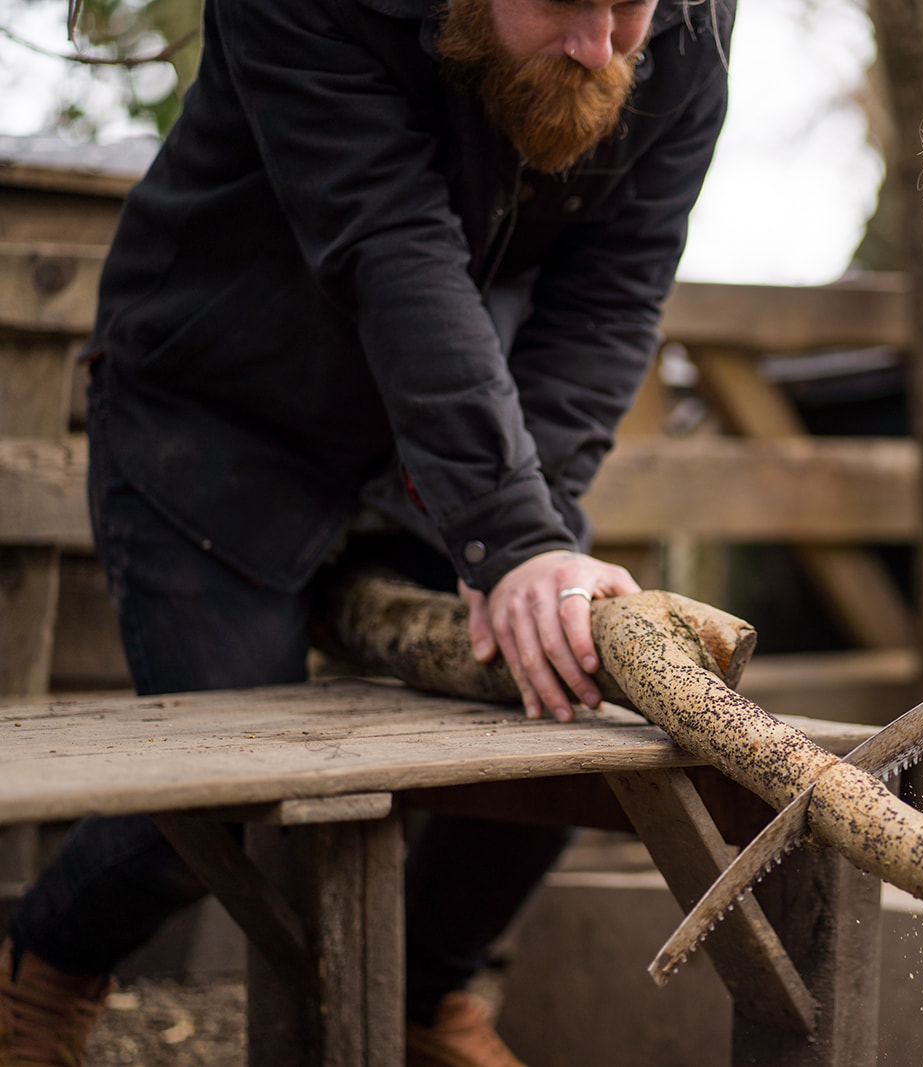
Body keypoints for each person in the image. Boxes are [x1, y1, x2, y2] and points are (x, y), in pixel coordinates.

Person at [0, 0, 734, 1064]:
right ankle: (47, 965)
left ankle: (420, 995)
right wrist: (508, 527)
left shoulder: (694, 27)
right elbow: (390, 242)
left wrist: (526, 535)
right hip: (220, 412)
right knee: (226, 781)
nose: (600, 47)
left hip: (439, 436)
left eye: (628, 8)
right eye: (565, 2)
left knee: (576, 705)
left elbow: (614, 288)